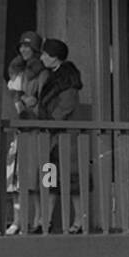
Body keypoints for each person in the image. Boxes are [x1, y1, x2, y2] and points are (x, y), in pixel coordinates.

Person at [31, 38, 83, 233]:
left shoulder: (67, 80)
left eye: (46, 54)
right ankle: (46, 220)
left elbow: (66, 107)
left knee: (73, 181)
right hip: (52, 137)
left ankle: (79, 220)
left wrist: (49, 121)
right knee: (49, 179)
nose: (42, 57)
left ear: (55, 58)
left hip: (65, 138)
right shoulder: (49, 76)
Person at [4, 31, 48, 234]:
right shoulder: (15, 70)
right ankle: (17, 220)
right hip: (17, 127)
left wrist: (29, 103)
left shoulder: (41, 72)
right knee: (14, 178)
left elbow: (41, 99)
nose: (23, 50)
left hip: (33, 127)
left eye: (28, 47)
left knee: (34, 177)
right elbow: (11, 94)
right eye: (21, 46)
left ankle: (39, 218)